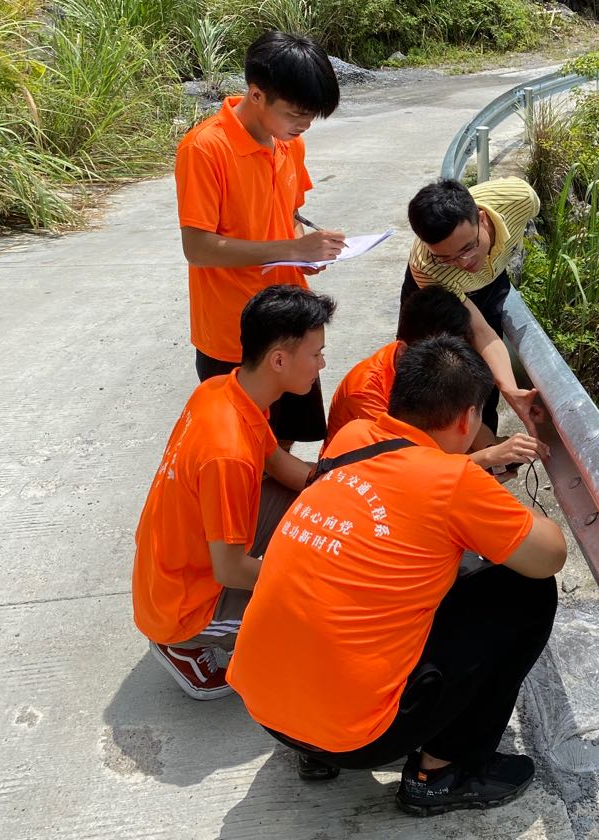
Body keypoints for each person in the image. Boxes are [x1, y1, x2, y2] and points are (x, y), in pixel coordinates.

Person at [227, 335, 568, 813]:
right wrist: (492, 500)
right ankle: (441, 773)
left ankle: (313, 750)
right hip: (354, 738)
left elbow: (403, 493)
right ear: (468, 418)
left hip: (267, 710)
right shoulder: (455, 483)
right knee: (524, 592)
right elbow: (548, 555)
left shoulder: (351, 440)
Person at [132, 285, 336, 700]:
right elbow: (228, 570)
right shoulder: (227, 455)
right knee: (321, 611)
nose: (322, 363)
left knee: (317, 508)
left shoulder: (227, 391)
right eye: (315, 354)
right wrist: (305, 581)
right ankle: (183, 644)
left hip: (178, 563)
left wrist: (348, 490)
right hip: (184, 605)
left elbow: (280, 465)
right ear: (279, 359)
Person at [175, 30, 344, 450]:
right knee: (241, 451)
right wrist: (292, 249)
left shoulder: (290, 144)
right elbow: (197, 248)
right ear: (256, 95)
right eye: (295, 114)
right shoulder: (205, 149)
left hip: (291, 324)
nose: (303, 126)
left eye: (311, 117)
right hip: (235, 336)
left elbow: (288, 216)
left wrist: (307, 253)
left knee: (283, 441)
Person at [325, 285, 547, 472]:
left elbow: (472, 428)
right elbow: (401, 472)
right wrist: (487, 458)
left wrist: (496, 454)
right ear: (403, 350)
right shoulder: (365, 394)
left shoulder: (442, 368)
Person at [401, 178, 542, 438]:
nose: (463, 262)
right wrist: (447, 262)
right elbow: (479, 330)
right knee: (436, 383)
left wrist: (510, 391)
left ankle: (485, 463)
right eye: (447, 256)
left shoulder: (520, 198)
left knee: (485, 386)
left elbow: (488, 337)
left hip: (492, 279)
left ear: (481, 218)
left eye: (468, 247)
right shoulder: (430, 267)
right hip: (441, 294)